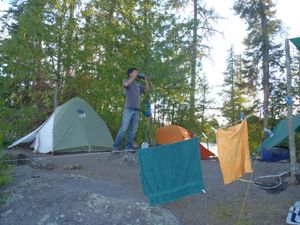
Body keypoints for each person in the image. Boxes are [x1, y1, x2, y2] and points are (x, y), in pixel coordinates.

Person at [112, 67, 150, 152]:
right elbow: (125, 85)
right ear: (130, 73)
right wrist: (133, 77)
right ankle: (115, 147)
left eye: (137, 72)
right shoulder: (126, 81)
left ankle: (128, 147)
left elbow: (147, 90)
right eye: (135, 72)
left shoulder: (137, 84)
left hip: (137, 110)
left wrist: (146, 80)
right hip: (128, 109)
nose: (137, 73)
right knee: (124, 128)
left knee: (133, 130)